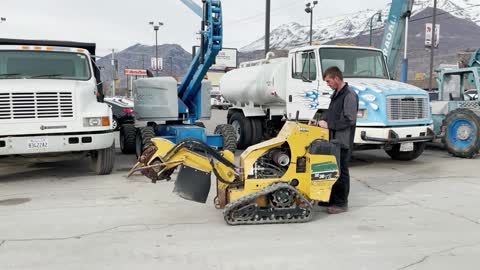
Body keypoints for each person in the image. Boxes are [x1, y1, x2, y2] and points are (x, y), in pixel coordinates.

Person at [309, 66, 358, 214]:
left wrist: (329, 125)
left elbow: (349, 119)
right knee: (332, 169)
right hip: (333, 139)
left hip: (343, 140)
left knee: (341, 171)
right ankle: (331, 199)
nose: (327, 84)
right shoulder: (336, 93)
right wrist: (318, 120)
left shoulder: (349, 95)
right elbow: (331, 113)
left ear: (337, 79)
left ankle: (341, 203)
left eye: (329, 81)